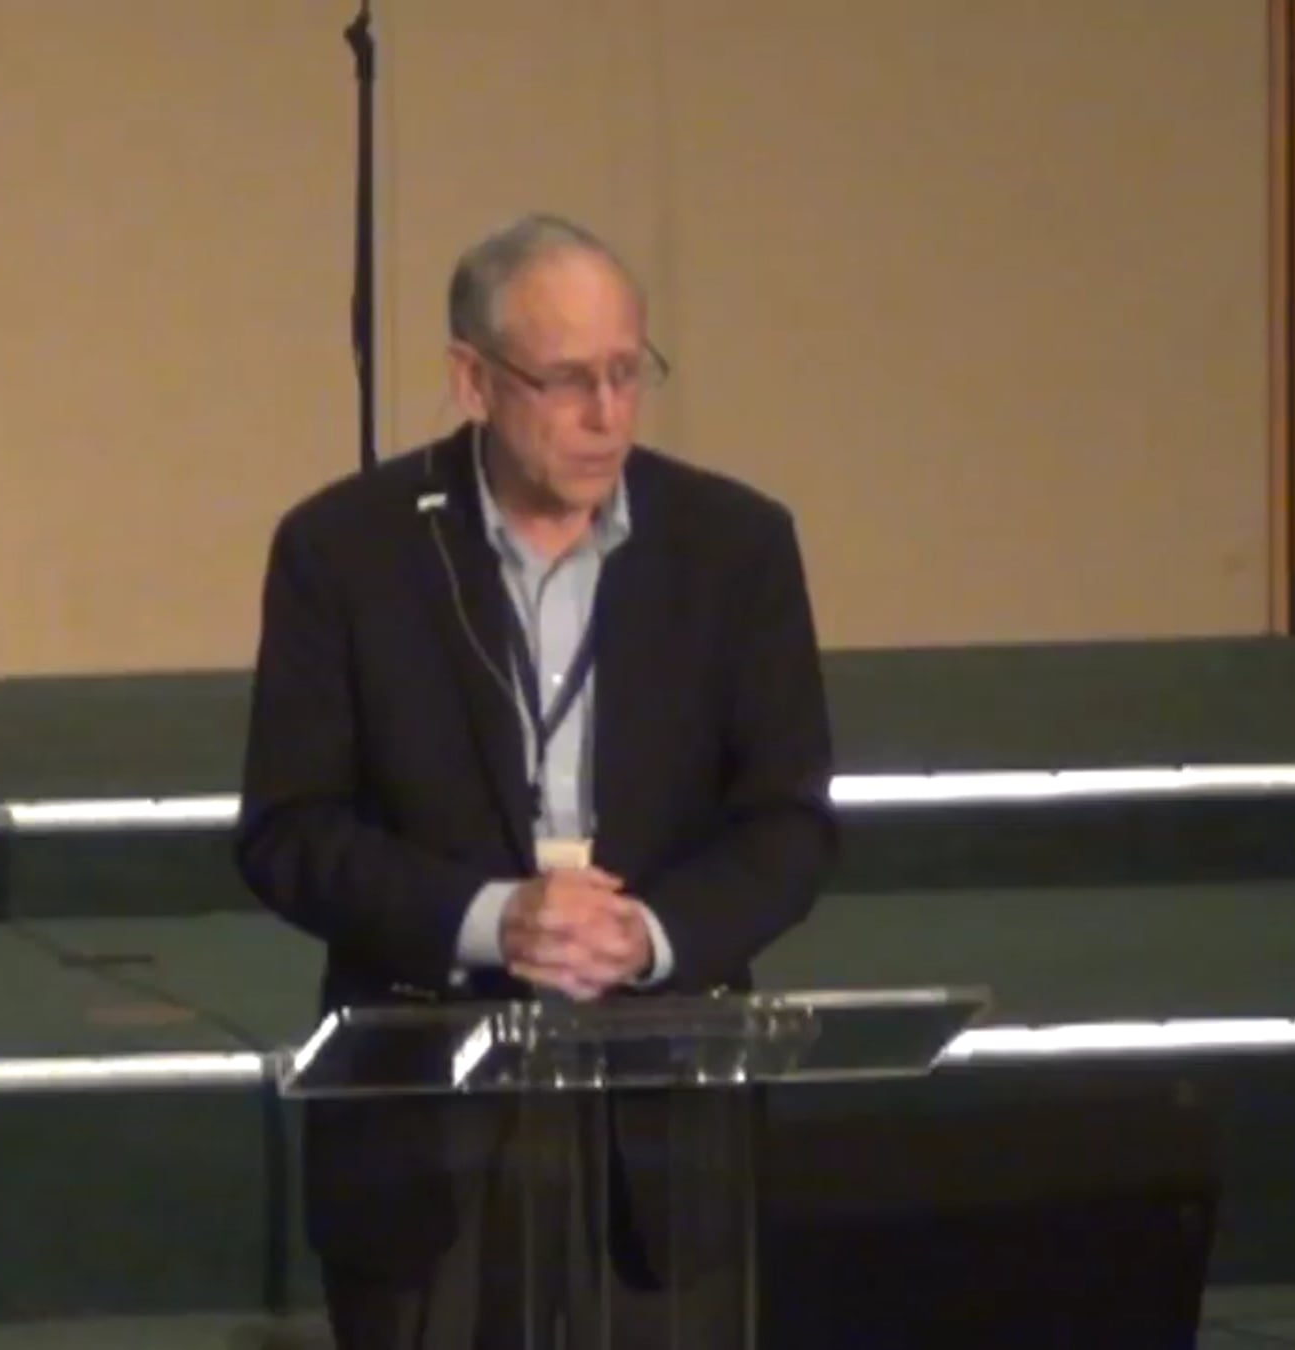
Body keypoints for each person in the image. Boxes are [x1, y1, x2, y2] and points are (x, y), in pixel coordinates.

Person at [233, 212, 837, 1349]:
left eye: (627, 372)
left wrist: (651, 935)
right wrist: (490, 920)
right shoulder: (346, 552)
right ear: (473, 380)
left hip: (669, 1139)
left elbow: (789, 823)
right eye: (566, 381)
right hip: (427, 1133)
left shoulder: (735, 546)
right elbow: (290, 832)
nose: (607, 415)